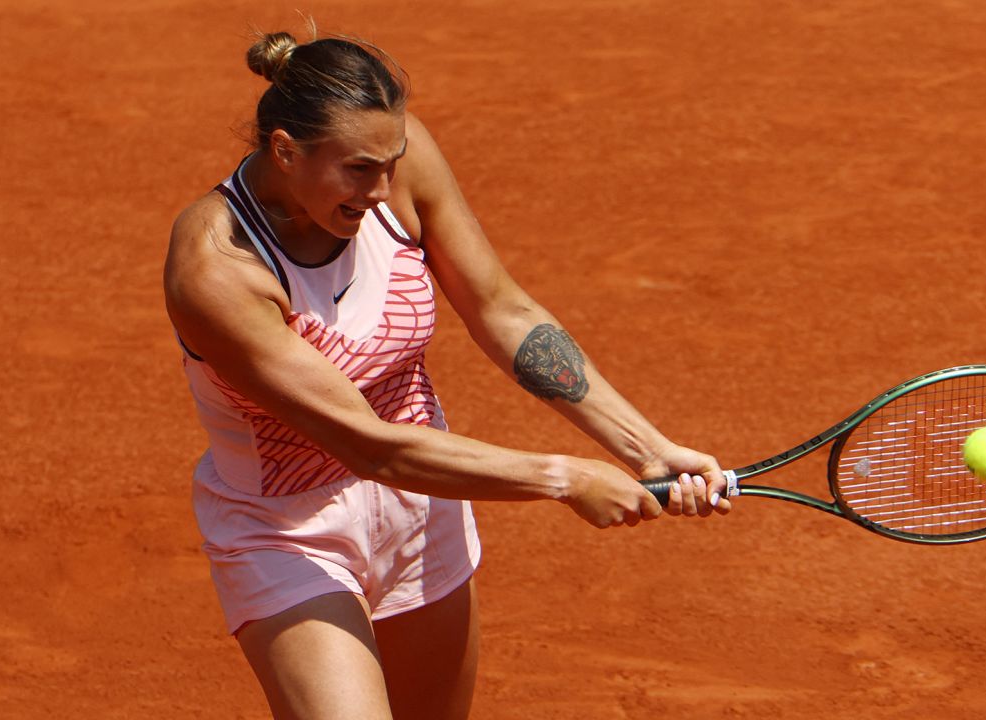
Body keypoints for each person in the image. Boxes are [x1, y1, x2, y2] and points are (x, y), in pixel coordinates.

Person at [163, 26, 731, 720]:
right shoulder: (217, 269)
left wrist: (646, 449)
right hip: (289, 531)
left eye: (391, 162)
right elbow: (372, 447)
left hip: (422, 512)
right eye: (357, 169)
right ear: (284, 150)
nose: (380, 189)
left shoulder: (393, 159)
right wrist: (567, 478)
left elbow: (501, 309)